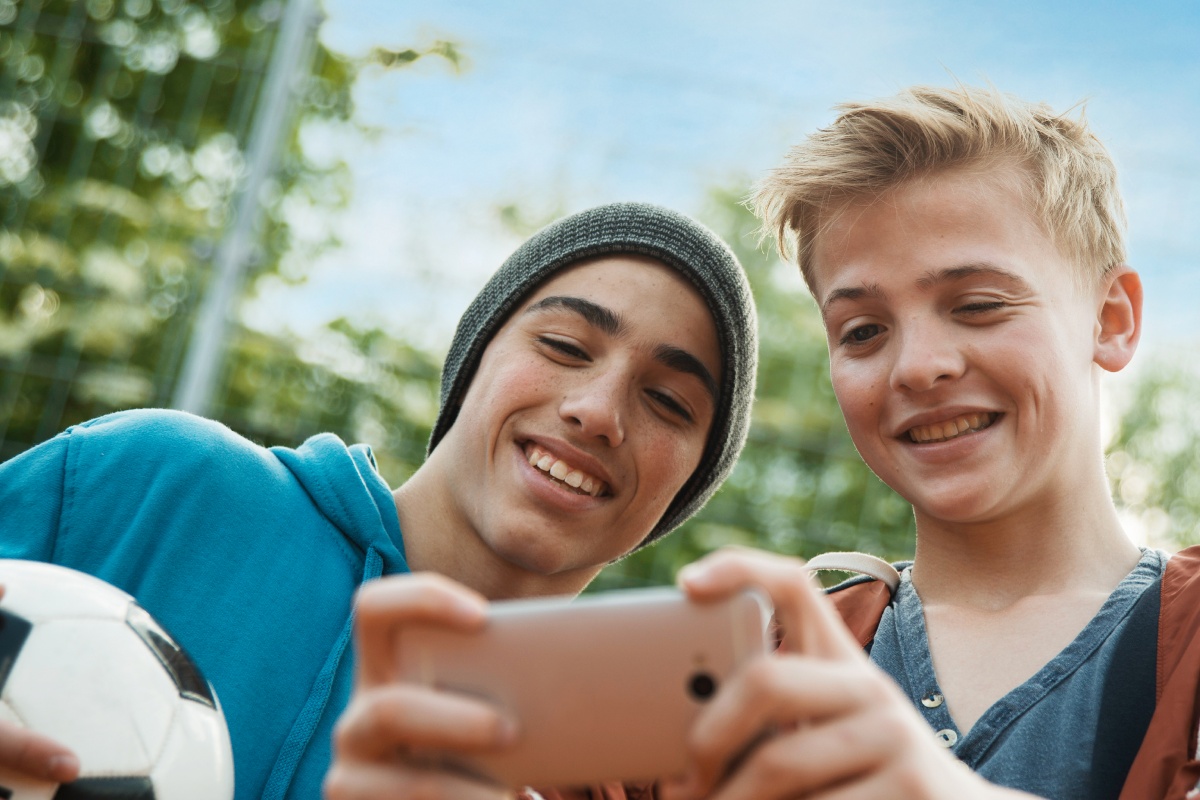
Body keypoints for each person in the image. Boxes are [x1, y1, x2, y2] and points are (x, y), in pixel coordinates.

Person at [0, 201, 759, 800]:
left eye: (667, 400)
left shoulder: (607, 762)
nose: (598, 411)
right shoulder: (160, 481)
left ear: (684, 487)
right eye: (563, 347)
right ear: (475, 359)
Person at [653, 83, 1200, 800]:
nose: (918, 366)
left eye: (977, 306)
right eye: (864, 331)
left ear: (1111, 319)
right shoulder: (751, 667)